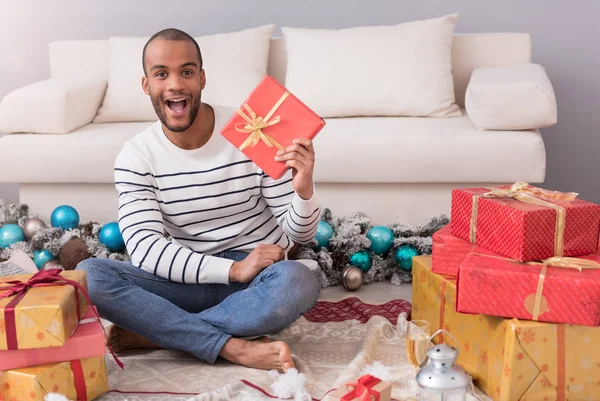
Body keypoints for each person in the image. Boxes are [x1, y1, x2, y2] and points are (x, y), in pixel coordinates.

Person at [76, 28, 321, 372]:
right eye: (161, 74)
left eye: (187, 72)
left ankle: (161, 333)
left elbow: (301, 236)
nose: (175, 84)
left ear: (202, 79)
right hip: (183, 278)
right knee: (90, 275)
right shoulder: (135, 156)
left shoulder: (252, 130)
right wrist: (232, 269)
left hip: (256, 279)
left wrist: (304, 190)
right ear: (146, 85)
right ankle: (230, 346)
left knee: (299, 281)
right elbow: (145, 248)